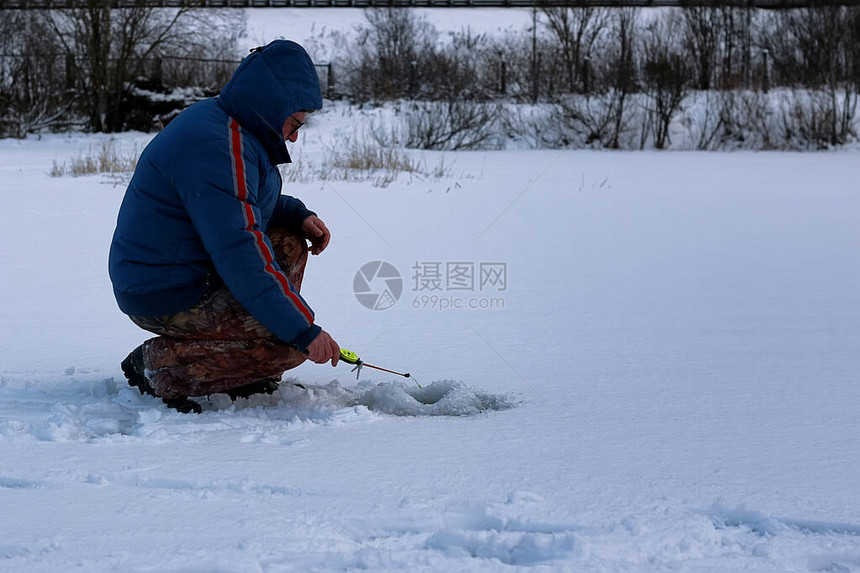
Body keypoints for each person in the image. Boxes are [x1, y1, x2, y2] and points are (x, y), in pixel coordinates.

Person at [109, 40, 340, 413]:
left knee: (289, 242)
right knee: (286, 346)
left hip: (184, 272)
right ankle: (162, 366)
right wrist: (302, 331)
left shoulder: (231, 125)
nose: (294, 137)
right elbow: (241, 251)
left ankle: (245, 364)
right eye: (294, 124)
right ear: (271, 106)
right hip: (164, 292)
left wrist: (297, 214)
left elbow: (238, 206)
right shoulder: (219, 145)